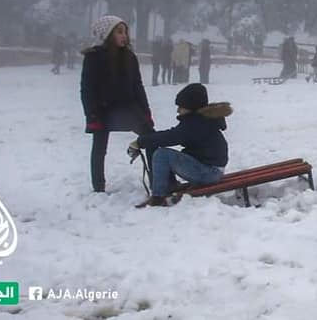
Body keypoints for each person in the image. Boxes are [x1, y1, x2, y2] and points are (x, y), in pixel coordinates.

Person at [80, 16, 154, 193]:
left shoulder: (130, 57)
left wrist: (146, 113)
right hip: (103, 110)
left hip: (129, 108)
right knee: (99, 148)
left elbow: (138, 86)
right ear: (108, 34)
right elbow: (87, 90)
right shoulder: (93, 57)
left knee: (152, 139)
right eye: (119, 32)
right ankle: (98, 186)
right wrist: (92, 116)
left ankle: (157, 180)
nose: (124, 36)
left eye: (125, 32)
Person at [128, 83, 229, 208]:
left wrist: (140, 142)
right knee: (165, 152)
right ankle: (169, 185)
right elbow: (173, 135)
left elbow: (171, 136)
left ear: (191, 107)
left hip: (209, 172)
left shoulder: (196, 124)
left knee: (162, 155)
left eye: (181, 106)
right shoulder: (200, 120)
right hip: (212, 170)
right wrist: (148, 140)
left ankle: (158, 197)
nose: (178, 110)